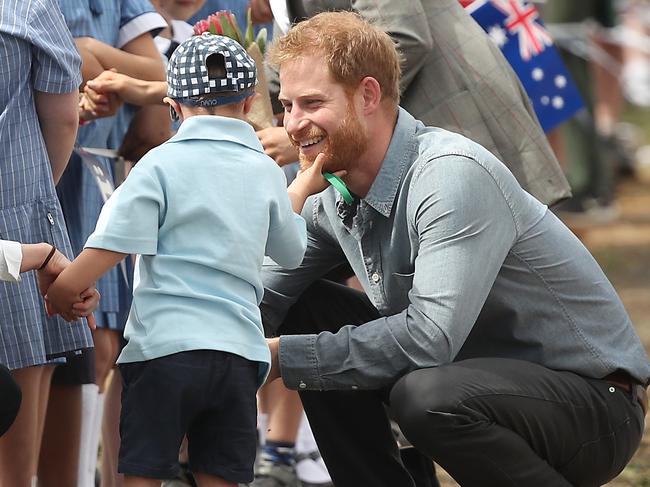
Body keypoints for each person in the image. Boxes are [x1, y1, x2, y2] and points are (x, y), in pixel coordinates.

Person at [259, 11, 650, 487]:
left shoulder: (449, 173)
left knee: (425, 395)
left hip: (592, 403)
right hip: (469, 381)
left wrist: (280, 357)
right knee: (310, 308)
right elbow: (264, 295)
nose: (294, 125)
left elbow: (428, 340)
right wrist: (187, 346)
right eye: (287, 106)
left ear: (367, 95)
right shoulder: (327, 189)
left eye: (312, 103)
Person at [45, 33, 338, 487]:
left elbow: (110, 245)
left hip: (165, 351)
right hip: (239, 355)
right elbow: (291, 251)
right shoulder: (264, 171)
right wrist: (298, 188)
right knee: (220, 475)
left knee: (142, 473)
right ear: (248, 104)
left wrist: (65, 291)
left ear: (173, 106)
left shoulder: (160, 166)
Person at [0, 1, 99, 485]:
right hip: (16, 217)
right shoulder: (29, 7)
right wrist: (37, 206)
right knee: (14, 461)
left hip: (20, 231)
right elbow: (63, 118)